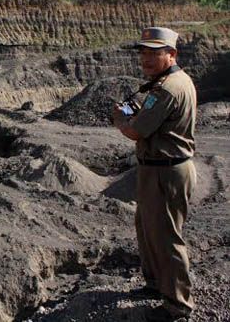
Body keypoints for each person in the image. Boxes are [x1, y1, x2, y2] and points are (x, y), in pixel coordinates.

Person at [113, 27, 197, 322]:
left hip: (167, 171)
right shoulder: (163, 82)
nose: (146, 58)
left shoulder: (168, 88)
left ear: (171, 54)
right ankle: (154, 285)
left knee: (166, 237)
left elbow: (136, 130)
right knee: (147, 229)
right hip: (157, 169)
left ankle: (177, 305)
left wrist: (122, 120)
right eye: (144, 52)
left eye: (154, 52)